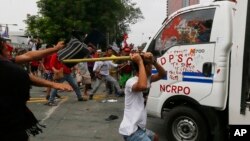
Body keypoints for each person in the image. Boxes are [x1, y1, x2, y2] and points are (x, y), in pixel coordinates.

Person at [0, 37, 72, 141]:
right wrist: (52, 84)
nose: (9, 51)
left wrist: (55, 49)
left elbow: (28, 56)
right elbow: (25, 76)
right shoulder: (8, 68)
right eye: (6, 49)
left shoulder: (7, 63)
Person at [119, 52, 166, 141]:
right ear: (146, 67)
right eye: (150, 65)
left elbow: (163, 74)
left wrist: (153, 61)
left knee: (155, 137)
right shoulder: (131, 81)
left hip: (140, 127)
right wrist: (140, 62)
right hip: (131, 130)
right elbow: (142, 86)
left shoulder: (148, 79)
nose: (152, 67)